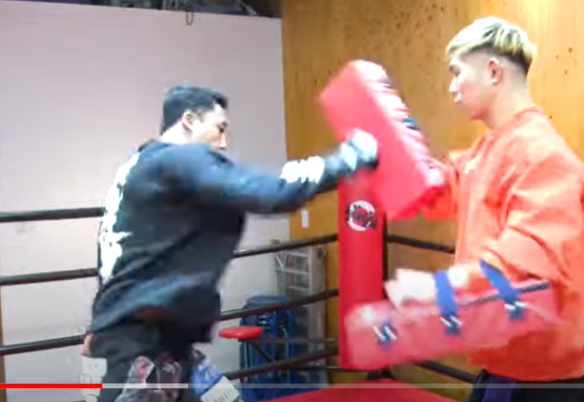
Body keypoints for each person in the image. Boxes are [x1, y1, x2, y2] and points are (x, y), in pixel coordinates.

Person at [79, 84, 379, 402]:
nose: (224, 143)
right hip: (137, 349)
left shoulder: (139, 165)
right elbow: (269, 192)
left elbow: (118, 253)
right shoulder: (176, 160)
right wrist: (349, 158)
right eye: (219, 128)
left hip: (158, 343)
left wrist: (102, 321)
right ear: (189, 120)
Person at [389, 17, 584, 402]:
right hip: (504, 362)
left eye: (457, 72)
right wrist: (387, 153)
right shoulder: (488, 148)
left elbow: (529, 260)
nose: (451, 87)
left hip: (542, 376)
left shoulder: (543, 154)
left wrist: (441, 288)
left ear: (493, 71)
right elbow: (439, 189)